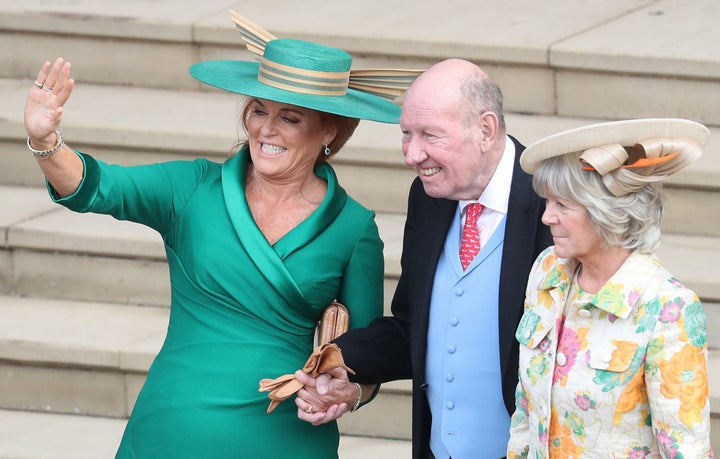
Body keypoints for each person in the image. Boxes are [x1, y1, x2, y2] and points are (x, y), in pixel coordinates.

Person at [22, 12, 419, 458]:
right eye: (259, 111)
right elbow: (96, 186)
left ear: (329, 130)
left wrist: (345, 393)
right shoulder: (192, 189)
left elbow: (364, 357)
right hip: (173, 430)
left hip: (284, 442)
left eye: (289, 118)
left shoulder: (353, 228)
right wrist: (45, 140)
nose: (266, 129)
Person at [295, 58, 554, 459]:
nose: (413, 155)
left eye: (430, 135)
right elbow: (413, 328)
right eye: (406, 135)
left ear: (485, 130)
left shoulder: (555, 202)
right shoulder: (429, 196)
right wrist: (341, 363)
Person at [507, 118, 714, 458]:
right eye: (547, 203)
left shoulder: (667, 307)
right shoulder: (547, 271)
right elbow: (526, 411)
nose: (546, 217)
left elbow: (685, 448)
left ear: (607, 213)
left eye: (563, 205)